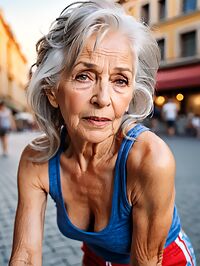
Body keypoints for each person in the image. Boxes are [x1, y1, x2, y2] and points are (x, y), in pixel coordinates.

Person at [9, 1, 196, 265]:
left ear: (132, 92)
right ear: (52, 91)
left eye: (120, 81)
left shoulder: (150, 159)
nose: (103, 99)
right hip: (97, 257)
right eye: (84, 76)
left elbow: (147, 260)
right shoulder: (36, 160)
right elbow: (25, 256)